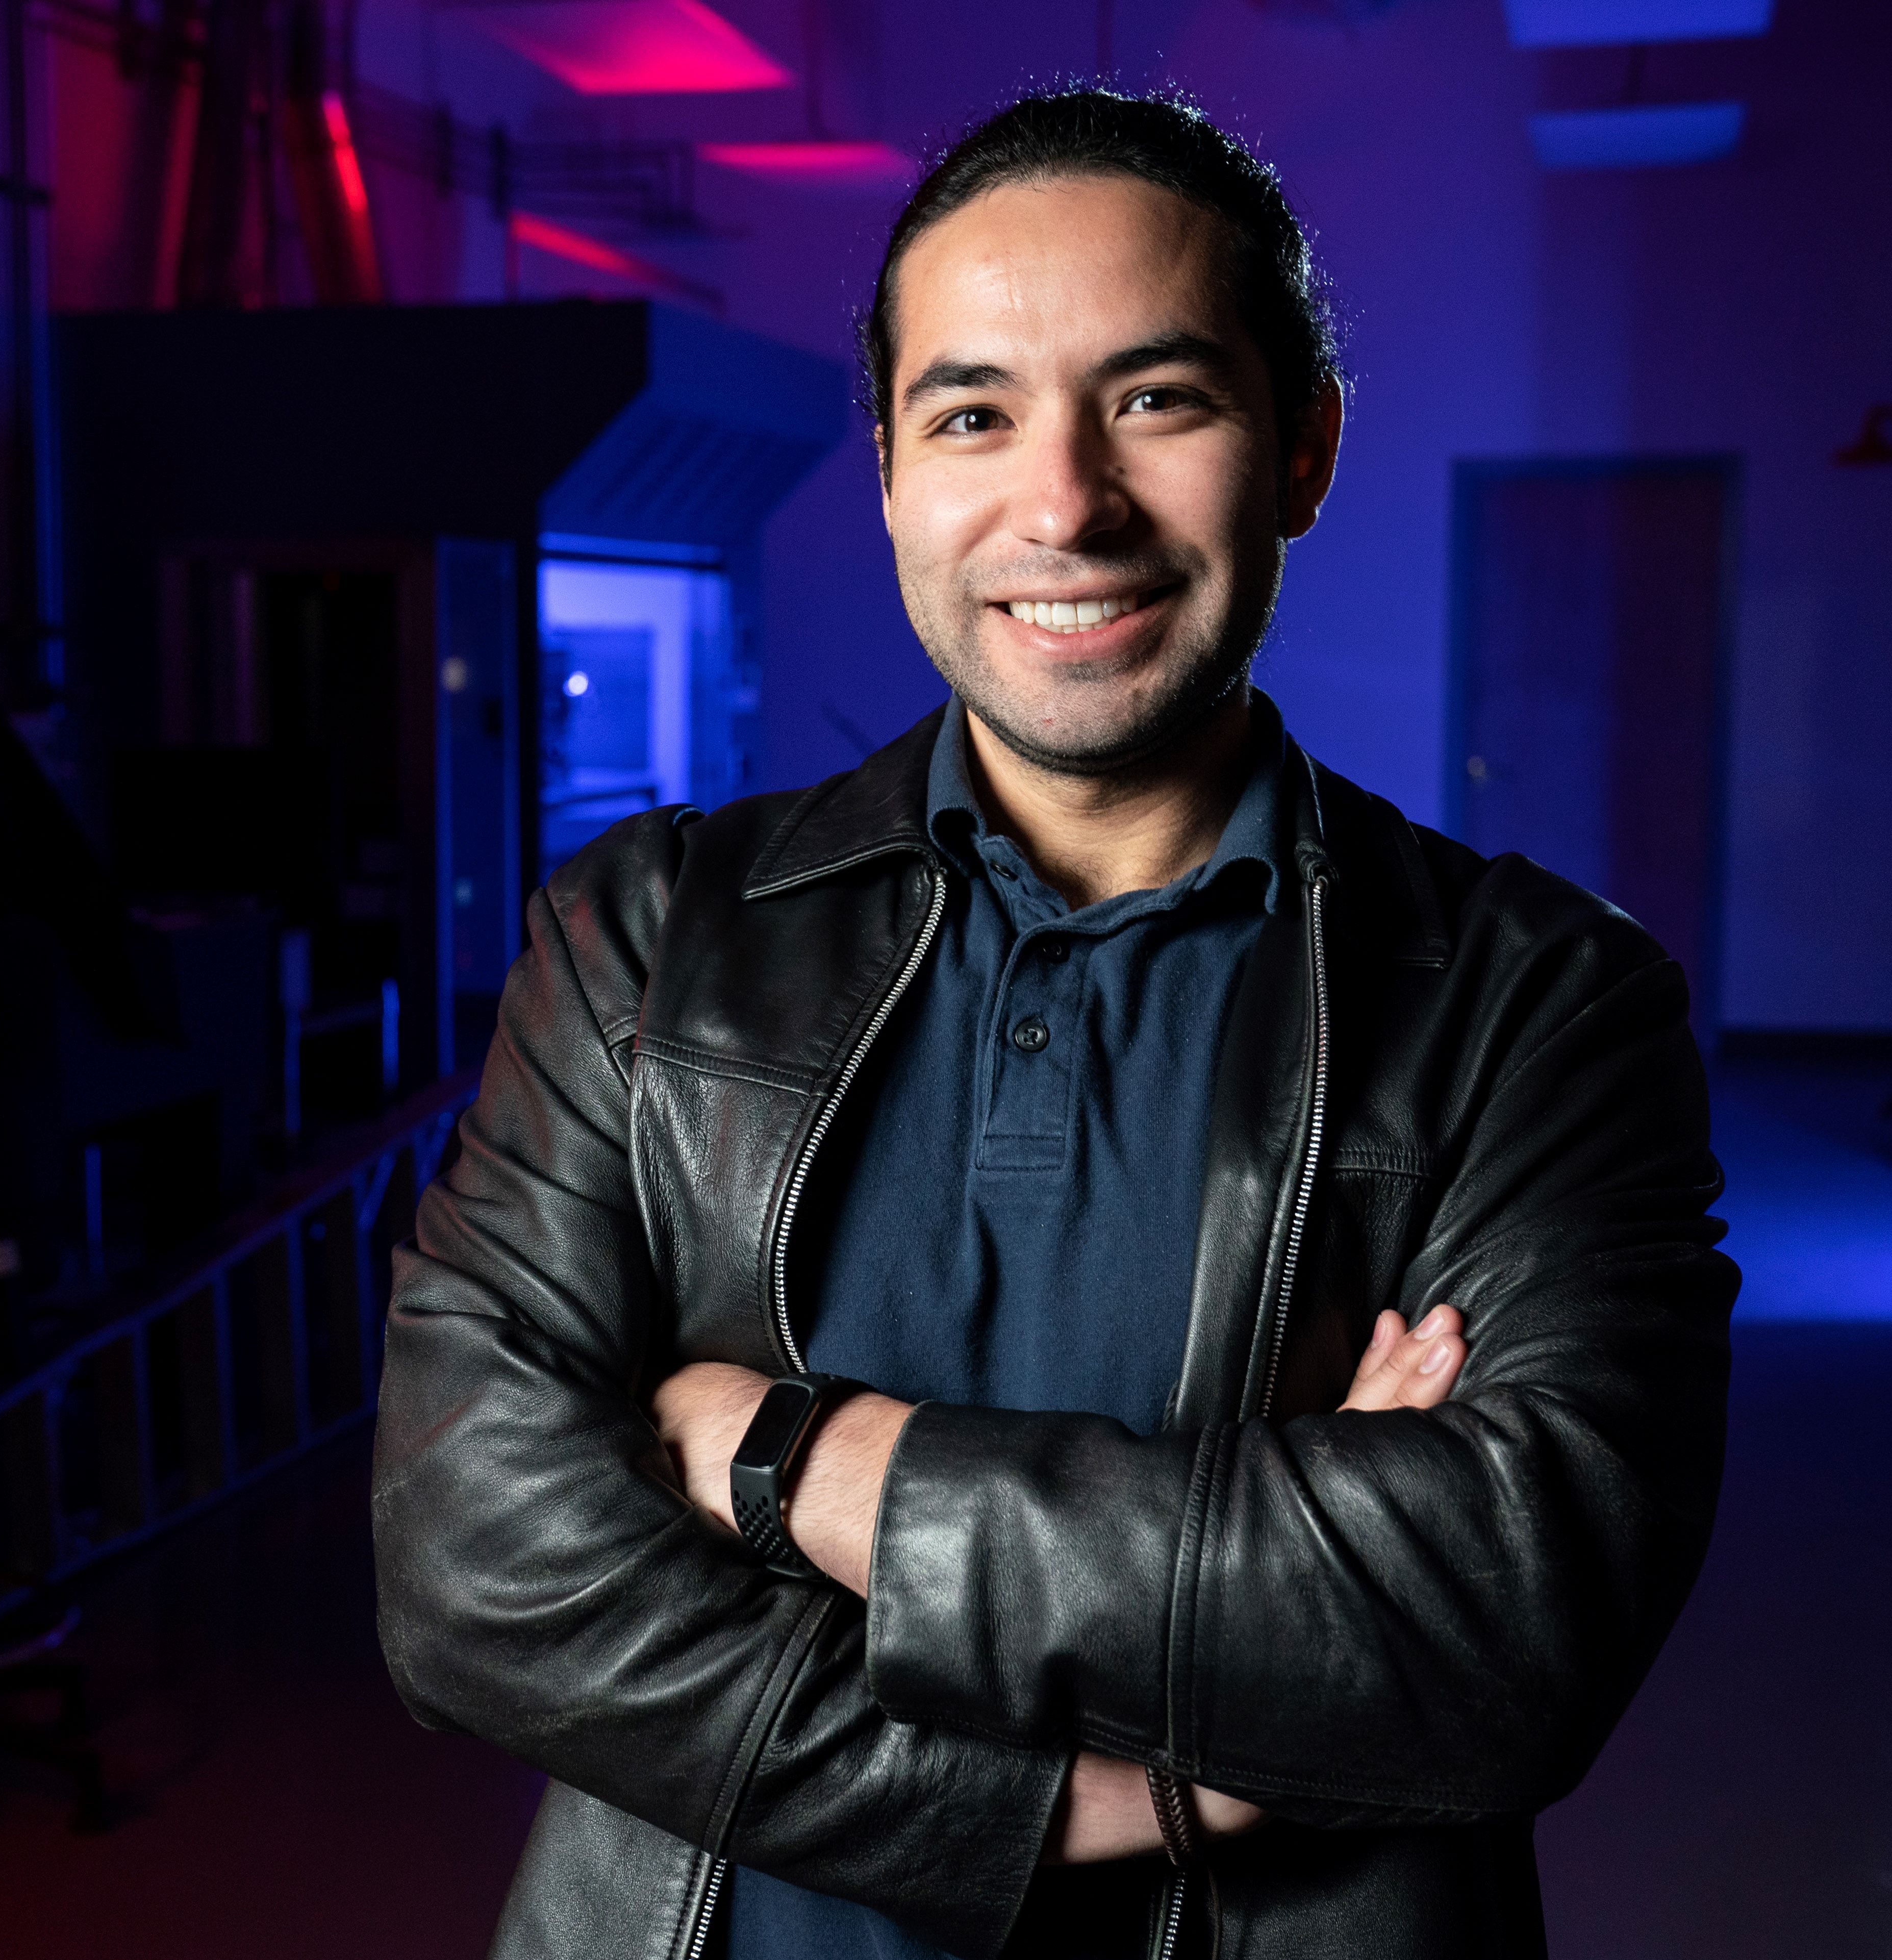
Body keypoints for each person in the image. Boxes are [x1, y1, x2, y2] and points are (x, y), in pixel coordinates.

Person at [373, 87, 1734, 1960]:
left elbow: (1498, 1634)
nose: (1063, 503)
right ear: (888, 471)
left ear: (1304, 448)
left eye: (1157, 399)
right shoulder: (645, 940)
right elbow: (466, 1567)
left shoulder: (1532, 1003)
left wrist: (785, 1459)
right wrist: (1095, 1787)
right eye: (972, 413)